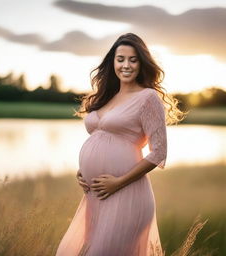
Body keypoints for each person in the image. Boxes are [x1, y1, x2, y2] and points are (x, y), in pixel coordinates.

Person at [56, 33, 183, 256]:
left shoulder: (147, 98)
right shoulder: (105, 97)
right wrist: (82, 171)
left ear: (142, 63)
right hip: (96, 195)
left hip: (127, 194)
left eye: (133, 60)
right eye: (120, 58)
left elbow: (159, 153)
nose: (126, 65)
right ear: (112, 62)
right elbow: (100, 140)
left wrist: (118, 182)